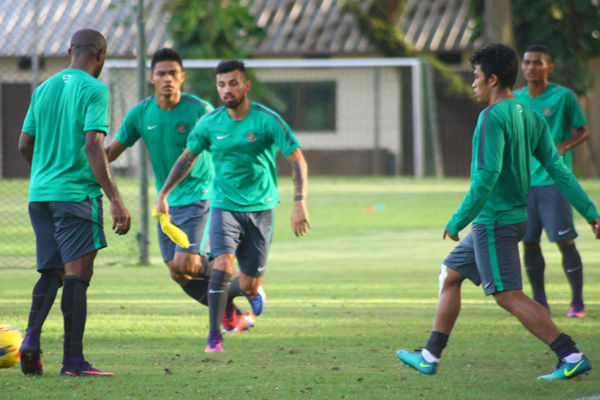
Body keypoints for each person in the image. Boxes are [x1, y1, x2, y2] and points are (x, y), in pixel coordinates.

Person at [396, 44, 600, 380]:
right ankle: (430, 355)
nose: (473, 83)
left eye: (475, 76)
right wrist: (591, 212)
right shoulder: (529, 115)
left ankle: (571, 355)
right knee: (450, 275)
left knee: (508, 296)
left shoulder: (491, 117)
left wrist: (457, 218)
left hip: (495, 222)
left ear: (492, 79)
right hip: (510, 219)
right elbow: (559, 170)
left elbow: (486, 176)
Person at [156, 59, 311, 353]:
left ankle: (250, 291)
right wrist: (164, 193)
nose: (227, 89)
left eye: (233, 83)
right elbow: (187, 157)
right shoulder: (210, 123)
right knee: (223, 264)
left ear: (246, 85)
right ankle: (214, 336)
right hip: (223, 205)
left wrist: (299, 203)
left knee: (250, 283)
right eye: (221, 84)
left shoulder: (267, 119)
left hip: (261, 208)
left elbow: (297, 159)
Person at [105, 48, 254, 332]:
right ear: (151, 77)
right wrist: (81, 158)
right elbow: (111, 151)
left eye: (173, 73)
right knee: (178, 272)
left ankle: (246, 281)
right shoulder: (141, 114)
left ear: (182, 77)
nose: (167, 79)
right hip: (167, 205)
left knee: (186, 262)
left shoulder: (199, 111)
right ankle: (233, 313)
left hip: (200, 195)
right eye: (161, 73)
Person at [18, 29, 132, 377]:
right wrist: (116, 199)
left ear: (70, 51)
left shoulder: (43, 89)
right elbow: (94, 146)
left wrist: (46, 174)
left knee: (51, 271)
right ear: (102, 55)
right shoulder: (95, 88)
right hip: (76, 197)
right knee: (77, 275)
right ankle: (73, 362)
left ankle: (30, 341)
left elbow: (25, 144)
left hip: (40, 196)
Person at [514, 45, 590, 317]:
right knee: (530, 241)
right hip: (524, 184)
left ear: (549, 67)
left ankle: (577, 303)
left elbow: (583, 130)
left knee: (565, 240)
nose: (531, 67)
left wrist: (564, 146)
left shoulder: (563, 97)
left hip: (553, 183)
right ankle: (540, 301)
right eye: (527, 62)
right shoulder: (516, 99)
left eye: (537, 62)